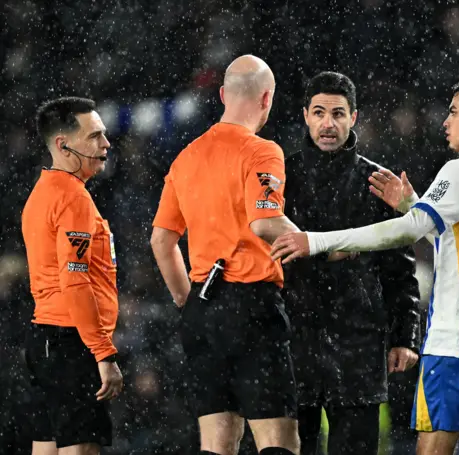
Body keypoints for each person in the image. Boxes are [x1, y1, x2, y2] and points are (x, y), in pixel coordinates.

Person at [272, 77, 459, 455]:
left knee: (434, 446)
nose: (445, 121)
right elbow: (457, 240)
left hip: (452, 337)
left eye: (454, 112)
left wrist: (316, 241)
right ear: (305, 116)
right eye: (319, 113)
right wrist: (414, 205)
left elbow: (408, 235)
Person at [150, 55, 304, 455]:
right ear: (267, 98)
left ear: (222, 95)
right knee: (278, 440)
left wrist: (189, 299)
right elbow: (265, 222)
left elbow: (161, 242)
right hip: (251, 302)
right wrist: (322, 243)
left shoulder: (186, 157)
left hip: (204, 307)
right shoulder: (262, 152)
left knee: (217, 442)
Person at [281, 71, 421, 455]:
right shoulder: (280, 177)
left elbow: (400, 267)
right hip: (294, 336)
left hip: (358, 339)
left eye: (339, 114)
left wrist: (404, 336)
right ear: (306, 115)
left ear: (354, 117)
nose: (329, 124)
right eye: (321, 112)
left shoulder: (377, 182)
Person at [22, 97, 123, 455]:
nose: (106, 144)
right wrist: (103, 353)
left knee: (46, 446)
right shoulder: (73, 199)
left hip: (45, 340)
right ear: (63, 145)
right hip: (71, 341)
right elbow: (76, 280)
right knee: (80, 448)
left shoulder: (40, 194)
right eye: (95, 136)